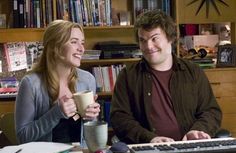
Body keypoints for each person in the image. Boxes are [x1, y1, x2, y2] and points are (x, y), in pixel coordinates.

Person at [110, 10, 222, 144]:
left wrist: (198, 131)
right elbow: (119, 118)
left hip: (190, 148)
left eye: (154, 38)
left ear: (170, 37)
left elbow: (211, 111)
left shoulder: (193, 72)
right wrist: (150, 138)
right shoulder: (128, 76)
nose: (148, 46)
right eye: (142, 40)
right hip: (148, 150)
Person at [15, 20, 100, 144]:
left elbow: (91, 136)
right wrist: (56, 113)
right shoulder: (30, 84)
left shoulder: (88, 80)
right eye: (74, 42)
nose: (82, 49)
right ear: (55, 47)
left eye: (82, 43)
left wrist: (91, 118)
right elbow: (23, 136)